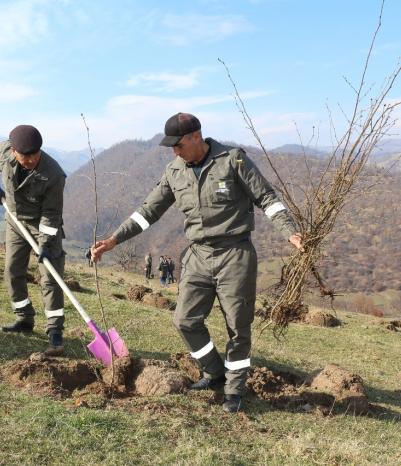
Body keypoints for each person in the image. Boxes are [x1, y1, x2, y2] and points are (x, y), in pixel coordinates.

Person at [92, 113, 303, 413]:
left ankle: (234, 388)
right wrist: (114, 240)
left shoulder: (233, 160)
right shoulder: (174, 171)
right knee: (185, 320)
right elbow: (148, 211)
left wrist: (289, 231)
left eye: (178, 145)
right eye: (171, 148)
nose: (175, 152)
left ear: (196, 136)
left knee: (238, 327)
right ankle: (214, 371)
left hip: (235, 255)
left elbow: (266, 197)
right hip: (198, 256)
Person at [0, 124, 67, 356]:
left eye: (35, 155)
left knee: (50, 279)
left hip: (43, 225)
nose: (31, 160)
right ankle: (24, 319)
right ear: (13, 150)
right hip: (15, 221)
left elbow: (52, 213)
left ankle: (55, 333)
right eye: (25, 156)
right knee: (12, 271)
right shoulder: (2, 152)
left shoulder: (54, 174)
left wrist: (45, 244)